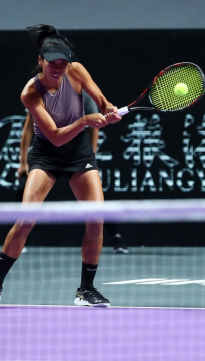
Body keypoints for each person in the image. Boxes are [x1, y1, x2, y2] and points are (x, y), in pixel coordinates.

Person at [0, 24, 121, 307]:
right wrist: (86, 121)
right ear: (41, 61)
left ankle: (86, 290)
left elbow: (102, 101)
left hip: (79, 154)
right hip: (47, 154)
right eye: (53, 63)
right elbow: (54, 135)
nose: (59, 68)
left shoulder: (76, 71)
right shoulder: (31, 92)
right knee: (26, 219)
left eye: (63, 63)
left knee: (96, 220)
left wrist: (109, 110)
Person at [18, 93, 129, 254]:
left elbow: (94, 128)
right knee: (22, 192)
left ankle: (116, 237)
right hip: (47, 157)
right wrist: (22, 162)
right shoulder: (40, 93)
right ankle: (18, 238)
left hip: (77, 156)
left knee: (97, 205)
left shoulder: (84, 95)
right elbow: (28, 128)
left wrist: (90, 157)